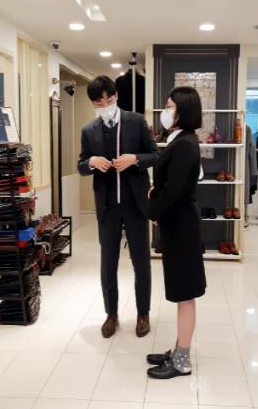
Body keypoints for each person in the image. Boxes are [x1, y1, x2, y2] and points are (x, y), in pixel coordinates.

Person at [78, 76, 159, 338]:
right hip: (107, 207)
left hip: (136, 205)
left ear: (116, 97)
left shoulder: (136, 121)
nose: (105, 105)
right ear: (93, 103)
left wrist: (135, 159)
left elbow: (155, 155)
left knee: (141, 262)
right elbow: (81, 165)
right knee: (108, 264)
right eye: (99, 102)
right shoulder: (89, 130)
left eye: (109, 99)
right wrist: (92, 162)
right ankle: (111, 314)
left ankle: (143, 313)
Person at [146, 86, 207, 379]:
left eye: (170, 106)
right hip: (177, 224)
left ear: (184, 110)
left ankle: (182, 360)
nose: (165, 111)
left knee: (185, 294)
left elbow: (174, 190)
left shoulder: (185, 143)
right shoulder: (181, 139)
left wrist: (153, 211)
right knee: (183, 293)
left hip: (182, 226)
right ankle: (178, 348)